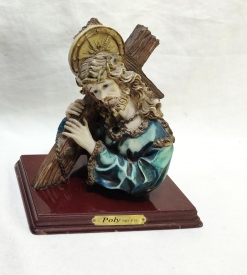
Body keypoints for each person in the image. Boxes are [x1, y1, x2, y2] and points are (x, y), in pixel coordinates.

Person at [60, 51, 174, 195]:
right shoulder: (101, 119)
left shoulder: (158, 135)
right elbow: (68, 151)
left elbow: (142, 180)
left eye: (106, 85)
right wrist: (72, 118)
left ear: (121, 81)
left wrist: (93, 147)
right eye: (95, 91)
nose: (103, 96)